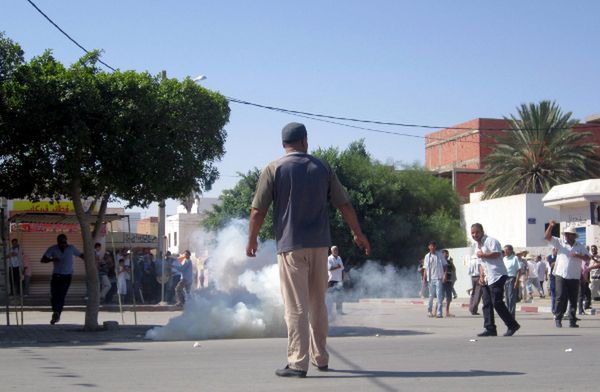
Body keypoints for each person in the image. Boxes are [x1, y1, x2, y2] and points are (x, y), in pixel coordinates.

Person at [246, 122, 370, 378]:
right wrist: (358, 233)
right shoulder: (322, 167)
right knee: (318, 304)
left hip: (291, 246)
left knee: (296, 306)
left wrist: (252, 239)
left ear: (283, 144)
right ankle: (321, 357)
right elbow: (344, 204)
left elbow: (258, 211)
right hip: (320, 245)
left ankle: (297, 363)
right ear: (305, 140)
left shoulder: (274, 168)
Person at [471, 223, 520, 337]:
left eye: (477, 232)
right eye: (472, 233)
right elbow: (481, 264)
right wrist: (481, 277)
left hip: (498, 275)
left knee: (497, 302)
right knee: (487, 303)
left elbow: (497, 253)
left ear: (482, 231)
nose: (475, 235)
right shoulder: (477, 246)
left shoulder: (491, 241)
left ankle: (512, 325)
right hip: (488, 277)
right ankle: (490, 328)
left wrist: (483, 255)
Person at [544, 221, 590, 328]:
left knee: (573, 299)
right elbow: (547, 237)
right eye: (566, 234)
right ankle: (558, 318)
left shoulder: (580, 246)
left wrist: (578, 256)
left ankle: (572, 320)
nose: (566, 236)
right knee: (560, 297)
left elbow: (588, 257)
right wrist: (551, 226)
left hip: (574, 276)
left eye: (569, 234)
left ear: (574, 236)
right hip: (560, 274)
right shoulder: (560, 243)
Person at [40, 234, 84, 325]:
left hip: (67, 276)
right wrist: (52, 260)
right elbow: (43, 259)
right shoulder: (53, 248)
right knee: (54, 295)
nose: (63, 245)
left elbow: (80, 255)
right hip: (56, 275)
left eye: (64, 242)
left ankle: (57, 314)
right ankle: (55, 311)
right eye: (61, 243)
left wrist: (90, 257)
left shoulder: (71, 248)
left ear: (66, 241)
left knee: (61, 295)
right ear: (58, 242)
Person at [423, 240, 447, 318]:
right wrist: (424, 279)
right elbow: (425, 269)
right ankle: (429, 311)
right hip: (430, 279)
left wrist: (444, 275)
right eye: (431, 246)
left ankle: (439, 313)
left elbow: (445, 265)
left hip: (439, 278)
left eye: (434, 246)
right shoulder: (427, 256)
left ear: (435, 247)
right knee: (431, 296)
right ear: (429, 247)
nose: (432, 247)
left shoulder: (440, 255)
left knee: (439, 296)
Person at [502, 245, 521, 317]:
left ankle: (511, 315)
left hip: (512, 279)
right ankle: (508, 314)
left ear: (510, 250)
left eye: (507, 250)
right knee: (506, 298)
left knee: (511, 298)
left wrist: (517, 281)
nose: (505, 252)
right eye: (504, 250)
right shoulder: (504, 259)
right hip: (505, 279)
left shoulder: (515, 258)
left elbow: (519, 270)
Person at [327, 245, 345, 317]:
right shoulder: (329, 258)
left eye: (337, 250)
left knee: (339, 296)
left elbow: (342, 268)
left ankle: (339, 311)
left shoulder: (339, 258)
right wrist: (337, 267)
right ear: (331, 251)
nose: (336, 251)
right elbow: (330, 268)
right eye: (334, 250)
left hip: (339, 280)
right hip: (331, 280)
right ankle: (329, 311)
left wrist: (342, 278)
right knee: (330, 297)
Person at [443, 250, 456, 317]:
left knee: (449, 297)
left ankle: (447, 312)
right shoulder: (440, 262)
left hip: (449, 281)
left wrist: (452, 262)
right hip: (442, 282)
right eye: (445, 254)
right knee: (441, 297)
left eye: (447, 254)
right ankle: (435, 310)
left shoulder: (449, 262)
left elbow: (454, 269)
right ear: (442, 254)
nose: (447, 255)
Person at [546, 248, 558, 313]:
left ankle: (557, 309)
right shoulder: (550, 257)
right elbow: (551, 264)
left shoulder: (559, 257)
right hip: (553, 277)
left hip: (559, 276)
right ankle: (554, 309)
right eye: (555, 250)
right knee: (553, 294)